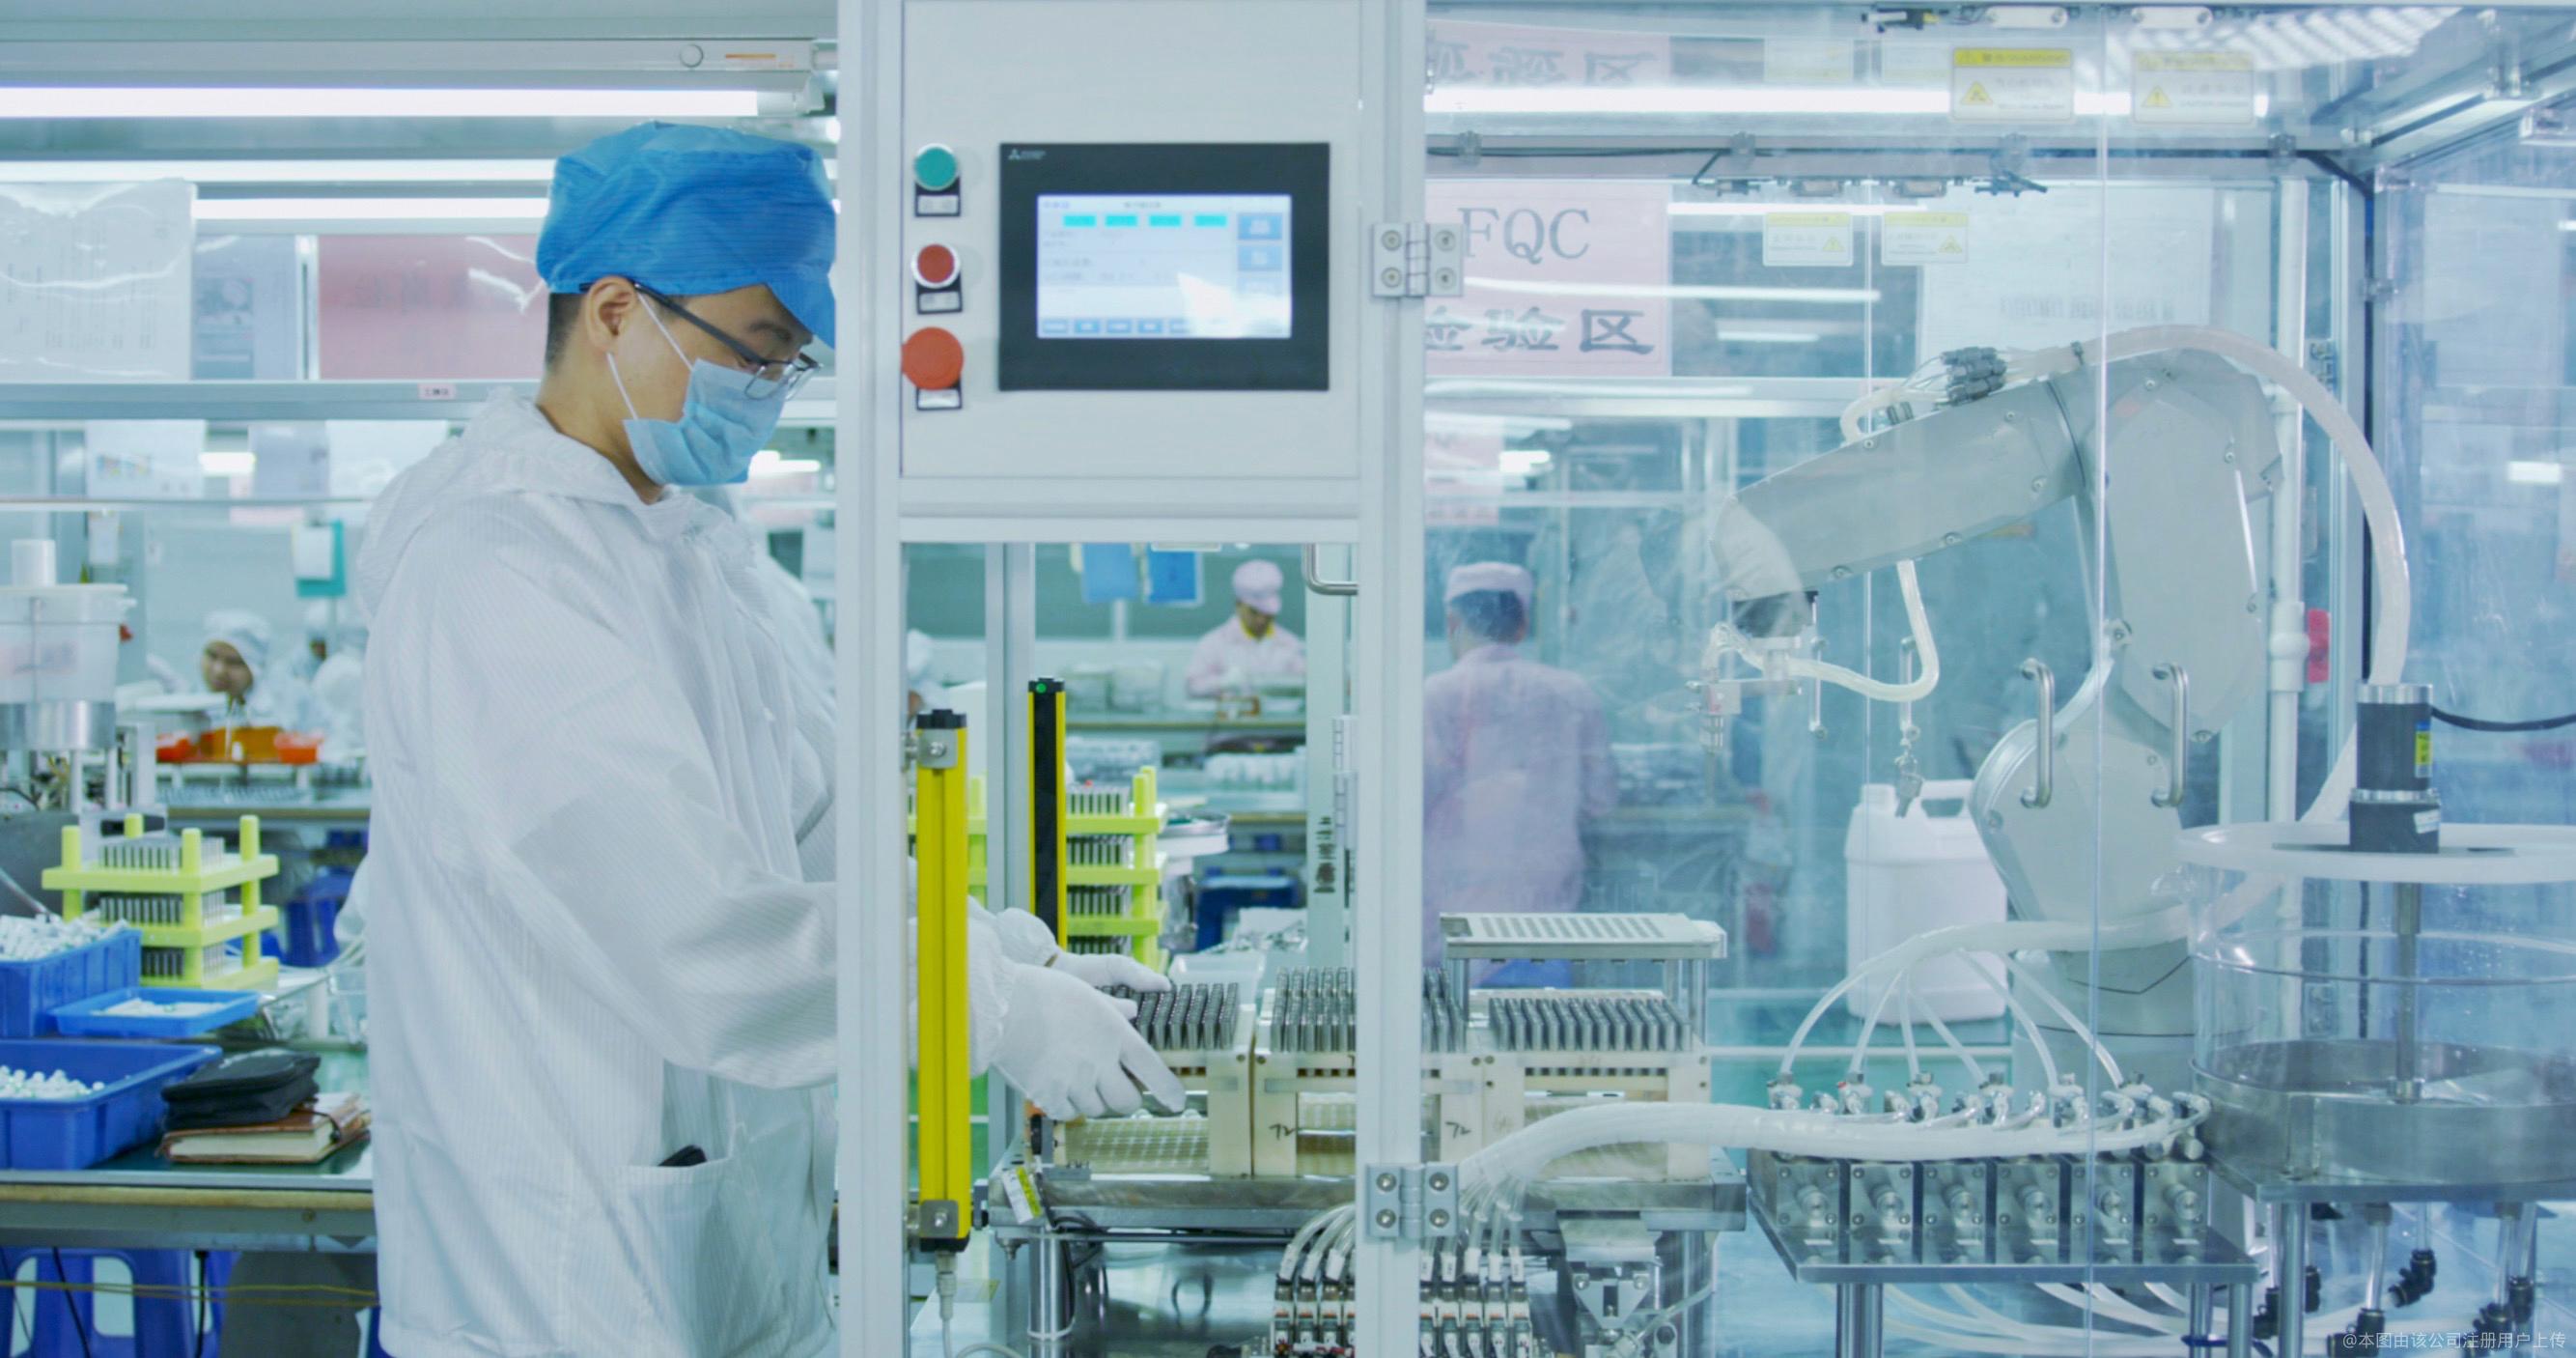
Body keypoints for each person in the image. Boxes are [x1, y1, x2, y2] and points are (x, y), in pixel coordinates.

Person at [348, 123, 1177, 1358]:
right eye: (756, 348)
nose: (770, 389)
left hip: (716, 1239)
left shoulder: (689, 553)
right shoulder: (499, 572)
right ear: (616, 312)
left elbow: (813, 840)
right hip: (556, 1278)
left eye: (791, 362)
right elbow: (690, 927)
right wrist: (989, 1007)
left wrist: (1008, 955)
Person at [1421, 563, 1616, 977]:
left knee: (1454, 1018)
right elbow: (1600, 801)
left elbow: (1413, 798)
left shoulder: (1434, 696)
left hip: (1453, 904)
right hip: (1546, 905)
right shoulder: (1572, 692)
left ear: (1452, 623)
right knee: (1539, 1015)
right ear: (1522, 625)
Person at [1185, 558, 1305, 698]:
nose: (1261, 620)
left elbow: (1306, 682)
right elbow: (1193, 686)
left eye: (1267, 614)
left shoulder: (1289, 643)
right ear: (1238, 605)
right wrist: (1223, 682)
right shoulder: (1213, 643)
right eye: (1254, 612)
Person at [199, 608, 322, 730]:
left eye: (233, 662)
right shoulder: (195, 702)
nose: (219, 671)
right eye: (212, 656)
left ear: (255, 668)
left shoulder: (291, 704)